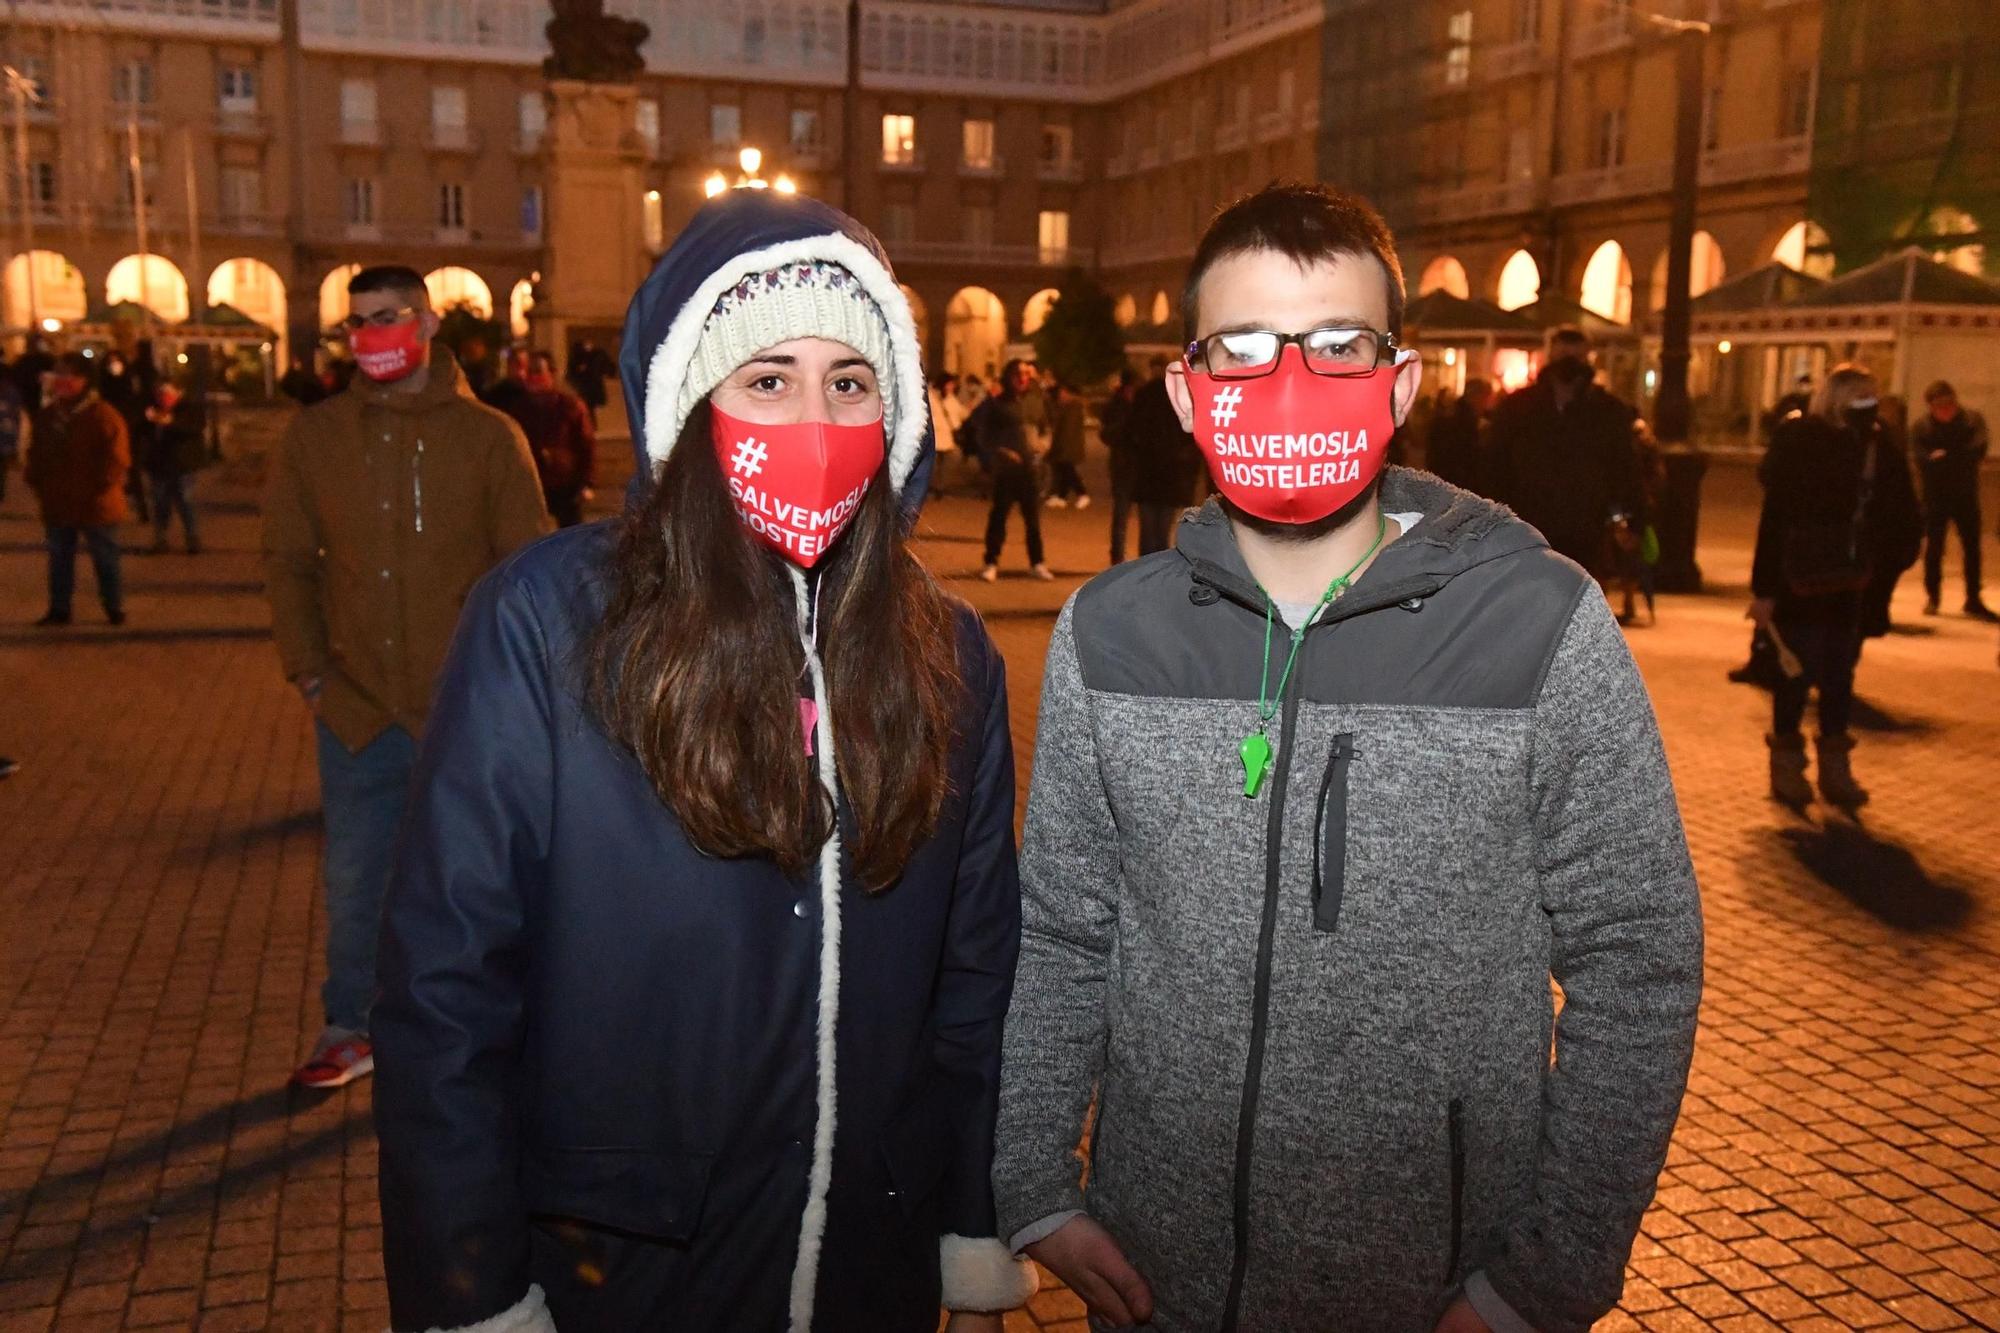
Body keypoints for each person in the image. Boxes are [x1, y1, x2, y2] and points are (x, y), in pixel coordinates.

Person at [993, 182, 1703, 1333]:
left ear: (1400, 384)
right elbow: (1065, 925)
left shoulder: (1540, 624)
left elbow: (1638, 959)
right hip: (1157, 1276)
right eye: (1241, 348)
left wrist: (1544, 1281)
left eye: (1337, 345)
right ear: (1185, 391)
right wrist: (1031, 1181)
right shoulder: (1107, 631)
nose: (1288, 384)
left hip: (1431, 1294)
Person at [373, 190, 1031, 1333]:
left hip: (867, 1276)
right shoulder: (545, 621)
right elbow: (445, 997)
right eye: (766, 378)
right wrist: (475, 1292)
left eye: (849, 381)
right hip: (621, 1278)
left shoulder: (948, 648)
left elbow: (973, 986)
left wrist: (967, 1230)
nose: (814, 417)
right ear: (689, 404)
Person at [261, 264, 550, 1091]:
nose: (371, 336)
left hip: (465, 709)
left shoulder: (487, 436)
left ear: (425, 325)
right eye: (357, 323)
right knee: (357, 877)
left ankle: (489, 1026)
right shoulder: (317, 437)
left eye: (388, 317)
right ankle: (352, 1023)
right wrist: (310, 672)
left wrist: (512, 689)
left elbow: (524, 568)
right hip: (356, 708)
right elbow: (286, 561)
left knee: (482, 880)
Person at [1752, 364, 1919, 809]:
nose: (1866, 404)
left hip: (1851, 582)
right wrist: (1764, 590)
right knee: (1795, 673)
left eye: (1871, 395)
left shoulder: (1878, 446)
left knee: (1839, 674)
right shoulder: (1800, 441)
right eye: (1856, 395)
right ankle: (1787, 767)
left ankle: (1835, 768)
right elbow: (1776, 519)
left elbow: (1902, 514)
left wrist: (1885, 568)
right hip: (1799, 580)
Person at [1489, 326, 1642, 577]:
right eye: (1563, 356)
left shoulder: (1607, 411)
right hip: (1529, 524)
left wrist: (1629, 521)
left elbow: (1624, 469)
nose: (1569, 365)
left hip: (1584, 525)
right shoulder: (1518, 408)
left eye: (1576, 357)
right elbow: (1495, 466)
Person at [27, 352, 130, 628]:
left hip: (95, 503)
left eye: (68, 375)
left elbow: (117, 459)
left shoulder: (103, 415)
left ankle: (114, 606)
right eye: (58, 374)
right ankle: (59, 608)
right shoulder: (49, 415)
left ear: (84, 381)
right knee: (59, 558)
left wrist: (99, 487)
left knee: (105, 558)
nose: (60, 380)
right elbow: (36, 453)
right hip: (58, 501)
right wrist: (36, 481)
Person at [1912, 379, 1994, 620]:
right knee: (1935, 547)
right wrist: (1944, 459)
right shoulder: (1923, 427)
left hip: (1964, 493)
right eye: (1940, 406)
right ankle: (1933, 597)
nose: (1946, 410)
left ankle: (1973, 598)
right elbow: (1922, 458)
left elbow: (1976, 450)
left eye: (1949, 404)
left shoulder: (1970, 421)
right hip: (1935, 496)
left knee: (1972, 547)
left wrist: (1945, 457)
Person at [495, 350, 597, 527]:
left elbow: (586, 445)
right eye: (529, 372)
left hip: (565, 484)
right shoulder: (518, 408)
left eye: (538, 371)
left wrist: (587, 483)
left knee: (570, 535)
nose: (532, 377)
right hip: (531, 481)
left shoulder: (570, 406)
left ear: (551, 373)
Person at [974, 358, 1053, 582]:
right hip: (1006, 470)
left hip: (1031, 469)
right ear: (1008, 377)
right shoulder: (996, 404)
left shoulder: (1036, 402)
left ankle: (1037, 562)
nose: (1022, 379)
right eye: (1017, 374)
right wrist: (1002, 451)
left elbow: (1046, 429)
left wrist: (1042, 447)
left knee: (1033, 519)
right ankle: (991, 562)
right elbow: (984, 436)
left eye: (1026, 375)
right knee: (999, 516)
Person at [1124, 358, 1203, 555]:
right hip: (1170, 472)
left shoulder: (1143, 396)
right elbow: (1189, 434)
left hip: (1147, 471)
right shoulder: (1179, 396)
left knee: (1148, 530)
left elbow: (1131, 431)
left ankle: (1147, 570)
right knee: (1163, 531)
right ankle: (1160, 571)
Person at [141, 379, 208, 554]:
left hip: (182, 464)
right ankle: (160, 539)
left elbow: (194, 428)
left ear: (178, 393)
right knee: (160, 503)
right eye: (160, 394)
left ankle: (192, 538)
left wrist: (170, 423)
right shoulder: (151, 410)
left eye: (167, 393)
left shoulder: (189, 409)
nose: (163, 397)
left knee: (185, 502)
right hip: (159, 465)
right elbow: (142, 435)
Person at [99, 340, 159, 526]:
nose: (114, 366)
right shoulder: (107, 383)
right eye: (110, 362)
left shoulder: (132, 381)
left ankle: (142, 510)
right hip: (115, 430)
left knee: (133, 470)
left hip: (132, 430)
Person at [1423, 377, 1496, 496]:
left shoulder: (1453, 416)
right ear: (1476, 397)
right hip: (1459, 483)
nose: (1486, 404)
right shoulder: (1465, 423)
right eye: (1485, 399)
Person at [1101, 367, 1141, 562]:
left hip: (1137, 465)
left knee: (1138, 515)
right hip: (1123, 465)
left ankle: (1130, 555)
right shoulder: (1117, 406)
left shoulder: (1140, 405)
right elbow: (1106, 434)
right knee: (1121, 513)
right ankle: (1117, 555)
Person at [1044, 378, 1089, 508]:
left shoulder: (1073, 407)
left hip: (1068, 445)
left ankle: (1082, 494)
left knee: (1068, 471)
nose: (1061, 394)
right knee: (1063, 470)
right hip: (1065, 444)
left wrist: (1060, 446)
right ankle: (1061, 497)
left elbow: (1068, 429)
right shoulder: (1067, 406)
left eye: (1063, 392)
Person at [565, 336, 611, 427]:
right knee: (588, 407)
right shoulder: (584, 356)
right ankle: (590, 424)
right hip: (587, 386)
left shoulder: (592, 356)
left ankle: (589, 424)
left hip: (588, 386)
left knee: (588, 407)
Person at [0, 361, 22, 505]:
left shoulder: (11, 394)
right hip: (6, 439)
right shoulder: (12, 393)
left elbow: (15, 419)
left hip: (4, 439)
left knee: (2, 467)